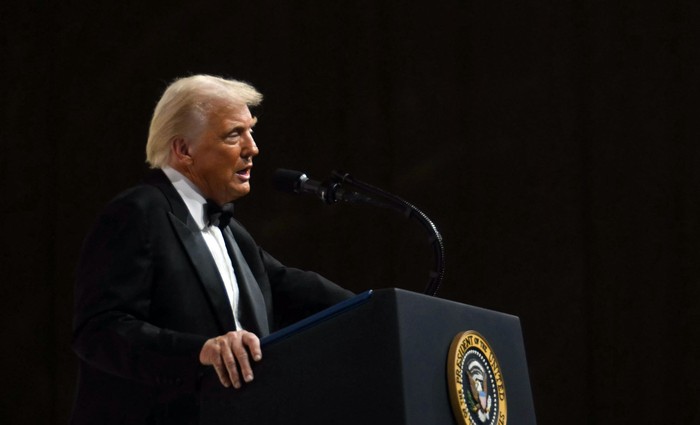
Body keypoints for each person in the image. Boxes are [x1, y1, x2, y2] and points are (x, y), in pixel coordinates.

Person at [71, 75, 354, 424]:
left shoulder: (233, 233)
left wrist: (384, 307)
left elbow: (294, 288)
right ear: (184, 150)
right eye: (234, 134)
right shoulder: (138, 212)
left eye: (251, 131)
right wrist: (200, 352)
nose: (253, 147)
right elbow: (99, 332)